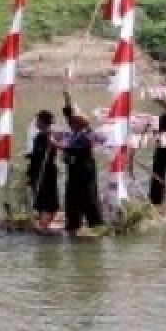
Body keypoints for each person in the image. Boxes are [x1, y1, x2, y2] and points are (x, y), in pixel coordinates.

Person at [61, 95, 105, 235]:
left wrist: (60, 147)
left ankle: (96, 225)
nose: (71, 124)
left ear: (80, 124)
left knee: (89, 198)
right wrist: (68, 101)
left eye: (74, 123)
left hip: (86, 171)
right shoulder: (76, 133)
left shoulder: (88, 135)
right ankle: (73, 224)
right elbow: (69, 115)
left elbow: (81, 150)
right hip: (74, 170)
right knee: (72, 198)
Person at [26, 110, 60, 230]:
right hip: (37, 169)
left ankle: (46, 222)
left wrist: (35, 155)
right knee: (39, 197)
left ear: (44, 122)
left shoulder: (50, 135)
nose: (36, 123)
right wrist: (31, 155)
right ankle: (42, 220)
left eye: (38, 120)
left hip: (46, 170)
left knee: (48, 197)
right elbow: (37, 153)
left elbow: (46, 154)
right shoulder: (39, 136)